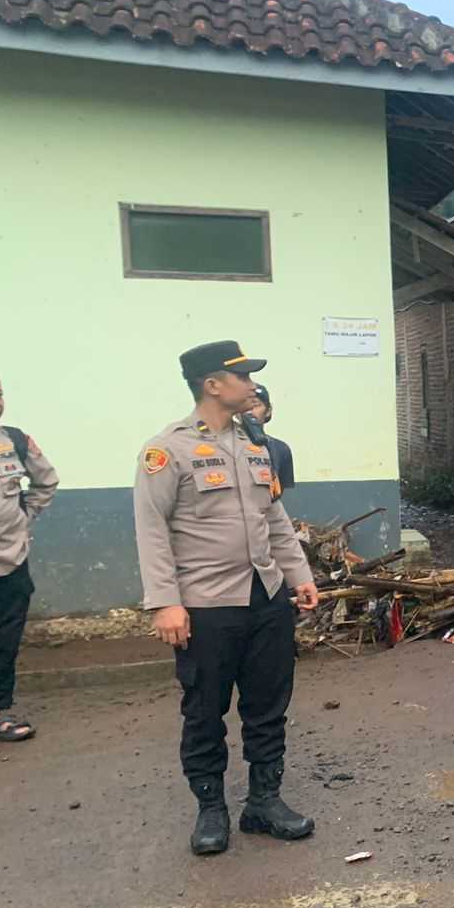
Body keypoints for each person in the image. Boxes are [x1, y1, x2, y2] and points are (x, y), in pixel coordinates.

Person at [134, 341, 321, 855]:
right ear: (213, 385)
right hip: (206, 604)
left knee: (268, 705)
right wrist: (164, 602)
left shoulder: (254, 443)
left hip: (266, 597)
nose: (252, 385)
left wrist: (298, 574)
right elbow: (151, 529)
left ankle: (264, 802)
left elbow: (274, 517)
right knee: (204, 710)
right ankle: (211, 809)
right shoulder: (167, 450)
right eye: (243, 377)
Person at [0, 374, 58, 742]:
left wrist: (24, 517)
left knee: (4, 642)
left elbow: (46, 480)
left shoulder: (15, 442)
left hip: (10, 562)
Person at [248, 384, 295, 497]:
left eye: (255, 405)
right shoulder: (225, 446)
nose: (249, 412)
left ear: (268, 411)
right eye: (244, 406)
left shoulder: (280, 449)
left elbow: (280, 493)